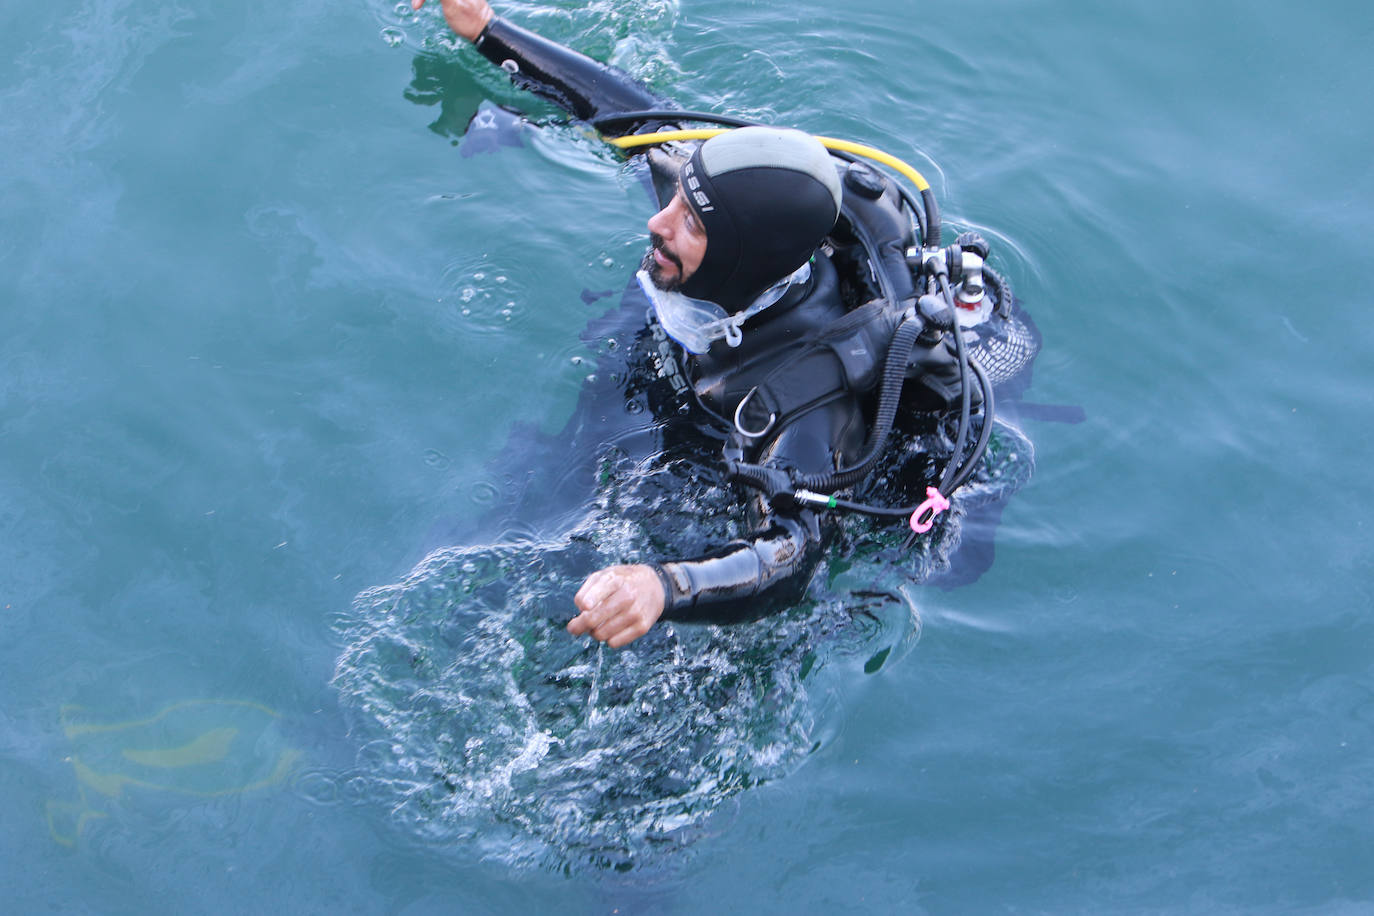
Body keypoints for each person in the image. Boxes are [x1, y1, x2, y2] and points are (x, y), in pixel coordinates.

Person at [412, 0, 1005, 648]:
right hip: (677, 359)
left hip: (717, 445)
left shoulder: (808, 400)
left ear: (741, 256)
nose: (659, 222)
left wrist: (664, 588)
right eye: (675, 201)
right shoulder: (705, 203)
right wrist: (488, 30)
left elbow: (792, 554)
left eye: (691, 222)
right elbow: (623, 114)